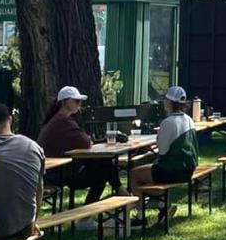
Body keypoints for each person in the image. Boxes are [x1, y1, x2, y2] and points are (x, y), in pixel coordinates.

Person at [39, 85, 118, 204]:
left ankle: (119, 192)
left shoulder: (57, 119)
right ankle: (86, 216)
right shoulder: (63, 121)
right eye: (76, 101)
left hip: (53, 171)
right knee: (104, 167)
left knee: (104, 164)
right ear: (66, 102)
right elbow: (86, 142)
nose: (79, 103)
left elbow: (82, 140)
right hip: (56, 174)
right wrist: (89, 140)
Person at [128, 88, 201, 216]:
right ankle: (161, 206)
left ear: (169, 102)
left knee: (134, 174)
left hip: (173, 170)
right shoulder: (189, 119)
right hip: (188, 169)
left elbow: (162, 151)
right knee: (150, 171)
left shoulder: (167, 122)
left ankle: (140, 216)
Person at [0, 101, 44, 240]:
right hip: (25, 228)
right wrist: (34, 219)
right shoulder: (33, 147)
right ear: (10, 119)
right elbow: (39, 189)